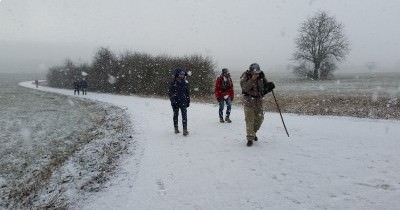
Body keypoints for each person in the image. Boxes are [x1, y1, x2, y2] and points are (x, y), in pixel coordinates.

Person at [240, 63, 275, 147]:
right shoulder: (245, 76)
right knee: (249, 121)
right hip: (249, 102)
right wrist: (252, 79)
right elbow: (244, 88)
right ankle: (250, 138)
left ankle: (253, 133)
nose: (256, 74)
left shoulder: (261, 76)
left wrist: (269, 86)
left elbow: (264, 87)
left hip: (258, 102)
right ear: (251, 71)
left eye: (258, 72)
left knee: (260, 119)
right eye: (255, 72)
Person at [168, 68, 190, 136]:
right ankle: (176, 128)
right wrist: (173, 101)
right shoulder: (173, 83)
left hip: (183, 101)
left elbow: (187, 92)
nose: (182, 75)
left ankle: (185, 130)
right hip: (175, 102)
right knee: (176, 115)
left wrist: (188, 100)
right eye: (181, 74)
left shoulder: (185, 82)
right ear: (177, 74)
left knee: (184, 115)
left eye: (183, 74)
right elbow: (170, 93)